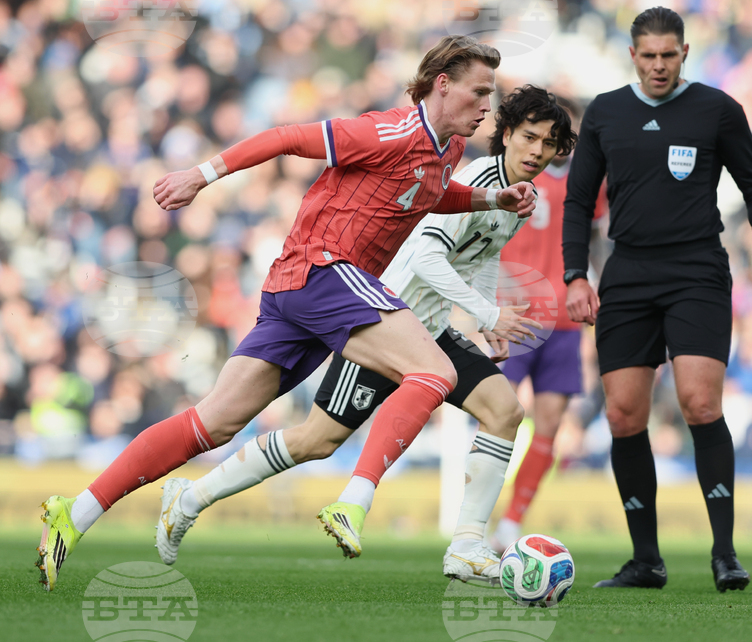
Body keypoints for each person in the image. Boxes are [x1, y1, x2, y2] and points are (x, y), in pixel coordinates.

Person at [35, 35, 537, 591]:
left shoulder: (447, 151)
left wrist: (493, 199)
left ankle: (75, 512)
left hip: (299, 290)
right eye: (479, 92)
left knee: (213, 423)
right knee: (435, 372)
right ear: (443, 85)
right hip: (325, 271)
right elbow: (285, 137)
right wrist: (200, 176)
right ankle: (354, 501)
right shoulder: (387, 130)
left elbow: (429, 194)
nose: (488, 106)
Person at [154, 85, 577, 581]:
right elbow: (427, 256)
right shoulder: (481, 179)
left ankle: (467, 543)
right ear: (505, 134)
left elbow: (481, 256)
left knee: (505, 412)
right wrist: (486, 315)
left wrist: (491, 320)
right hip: (383, 324)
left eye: (549, 143)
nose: (538, 151)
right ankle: (192, 495)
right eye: (529, 137)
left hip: (431, 329)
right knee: (317, 440)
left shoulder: (515, 196)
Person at [562, 7, 752, 592]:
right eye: (648, 56)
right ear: (632, 56)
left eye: (669, 55)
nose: (659, 65)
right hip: (628, 271)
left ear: (684, 53)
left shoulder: (717, 109)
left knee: (699, 404)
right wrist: (574, 275)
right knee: (622, 414)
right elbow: (578, 201)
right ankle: (646, 561)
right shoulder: (606, 112)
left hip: (696, 270)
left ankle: (725, 553)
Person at [488, 97, 591, 552]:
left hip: (563, 319)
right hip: (514, 314)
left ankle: (511, 521)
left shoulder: (586, 182)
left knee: (548, 422)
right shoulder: (510, 174)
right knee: (498, 416)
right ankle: (476, 517)